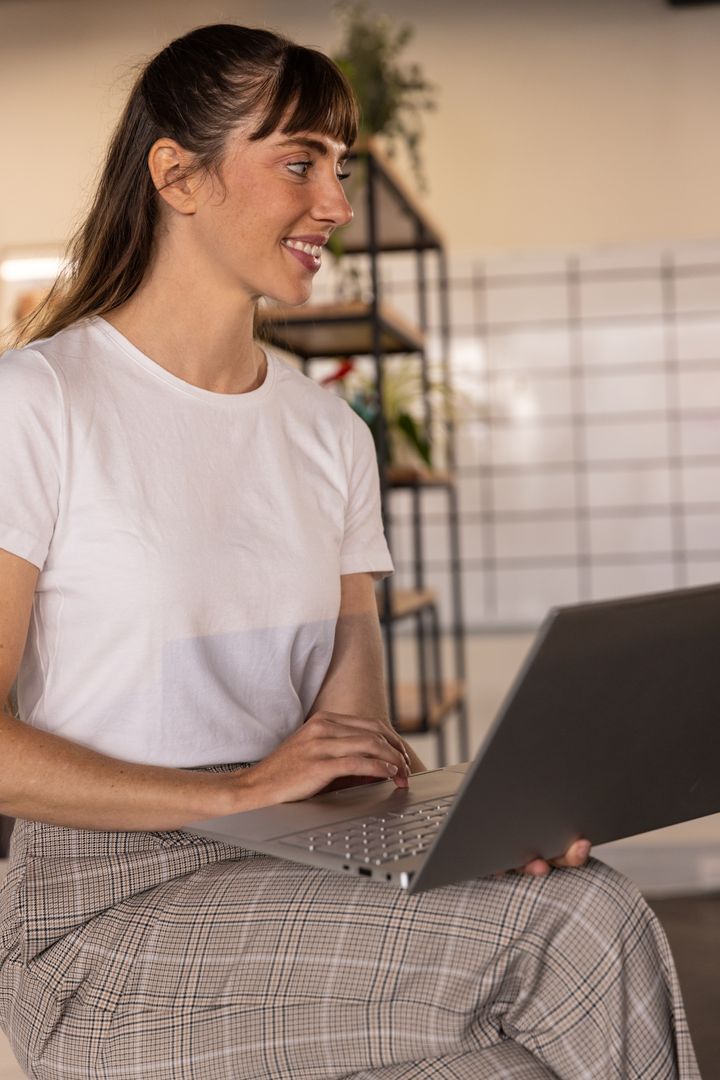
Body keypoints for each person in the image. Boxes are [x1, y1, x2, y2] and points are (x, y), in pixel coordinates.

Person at [0, 23, 700, 1080]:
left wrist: (466, 832)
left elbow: (347, 731)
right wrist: (229, 796)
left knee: (526, 1024)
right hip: (100, 925)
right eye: (299, 163)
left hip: (291, 874)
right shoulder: (37, 404)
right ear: (177, 176)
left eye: (340, 166)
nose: (333, 203)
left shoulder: (327, 432)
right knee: (580, 926)